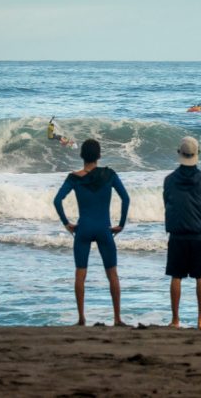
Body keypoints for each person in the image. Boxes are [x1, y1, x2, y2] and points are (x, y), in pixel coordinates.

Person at [53, 139, 130, 326]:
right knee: (112, 273)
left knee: (80, 273)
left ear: (81, 156)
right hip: (104, 229)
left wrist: (66, 223)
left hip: (83, 228)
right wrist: (120, 224)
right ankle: (117, 318)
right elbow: (125, 199)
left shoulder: (74, 177)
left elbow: (57, 200)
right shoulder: (109, 174)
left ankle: (81, 319)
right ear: (99, 156)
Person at [163, 136, 201, 329]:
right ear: (197, 155)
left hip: (176, 234)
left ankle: (175, 320)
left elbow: (166, 202)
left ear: (179, 154)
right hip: (199, 233)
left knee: (176, 276)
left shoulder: (169, 180)